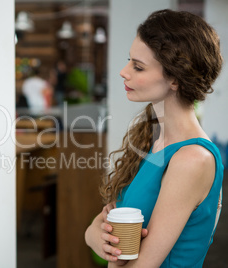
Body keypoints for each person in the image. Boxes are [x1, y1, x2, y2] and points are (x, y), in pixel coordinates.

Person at [85, 9, 224, 267]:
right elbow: (101, 222)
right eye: (130, 60)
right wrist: (95, 235)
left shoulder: (192, 159)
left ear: (174, 78)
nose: (124, 72)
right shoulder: (151, 139)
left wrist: (105, 249)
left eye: (138, 66)